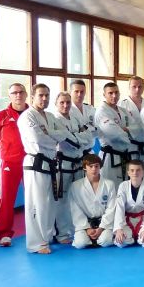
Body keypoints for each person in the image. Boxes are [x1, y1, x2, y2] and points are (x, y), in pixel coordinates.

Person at [20, 84, 77, 254]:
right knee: (37, 204)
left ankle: (49, 236)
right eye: (40, 95)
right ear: (33, 97)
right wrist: (53, 137)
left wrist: (49, 132)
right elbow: (37, 138)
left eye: (47, 95)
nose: (44, 98)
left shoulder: (50, 116)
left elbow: (63, 134)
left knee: (50, 203)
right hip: (36, 163)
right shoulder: (27, 116)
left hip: (51, 163)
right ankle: (37, 244)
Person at [51, 91, 93, 244]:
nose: (65, 105)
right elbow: (69, 141)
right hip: (63, 164)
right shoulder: (55, 120)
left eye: (68, 102)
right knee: (62, 200)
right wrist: (78, 137)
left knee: (78, 198)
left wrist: (77, 136)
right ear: (56, 104)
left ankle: (76, 229)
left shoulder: (75, 118)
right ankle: (61, 234)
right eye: (62, 102)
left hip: (78, 162)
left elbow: (89, 138)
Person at [69, 154, 116, 249]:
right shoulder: (76, 186)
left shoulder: (109, 184)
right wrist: (87, 228)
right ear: (84, 167)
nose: (94, 169)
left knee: (105, 241)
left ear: (100, 167)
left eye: (96, 166)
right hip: (85, 223)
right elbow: (75, 209)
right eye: (90, 166)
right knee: (80, 244)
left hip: (104, 222)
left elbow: (111, 208)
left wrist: (101, 228)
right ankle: (88, 237)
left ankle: (100, 237)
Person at [112, 160, 144, 248]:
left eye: (138, 170)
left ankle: (143, 234)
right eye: (132, 170)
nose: (135, 173)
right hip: (127, 220)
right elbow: (119, 208)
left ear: (143, 172)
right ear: (128, 172)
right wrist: (119, 229)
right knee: (121, 242)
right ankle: (130, 236)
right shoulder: (123, 186)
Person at [95, 82, 132, 184]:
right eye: (110, 93)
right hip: (109, 157)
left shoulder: (123, 110)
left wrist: (126, 129)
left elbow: (137, 129)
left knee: (124, 187)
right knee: (110, 188)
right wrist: (128, 131)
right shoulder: (102, 111)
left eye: (116, 92)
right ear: (104, 95)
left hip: (124, 155)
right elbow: (115, 134)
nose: (114, 96)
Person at [118, 76, 144, 163]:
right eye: (134, 86)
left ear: (143, 87)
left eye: (140, 87)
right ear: (129, 87)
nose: (137, 89)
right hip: (129, 146)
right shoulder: (121, 104)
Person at [68, 79, 97, 156]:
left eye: (82, 92)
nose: (79, 94)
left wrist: (83, 130)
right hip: (73, 154)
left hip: (90, 152)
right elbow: (71, 136)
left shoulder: (90, 109)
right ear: (70, 92)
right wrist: (90, 128)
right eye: (76, 91)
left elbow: (98, 131)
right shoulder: (67, 111)